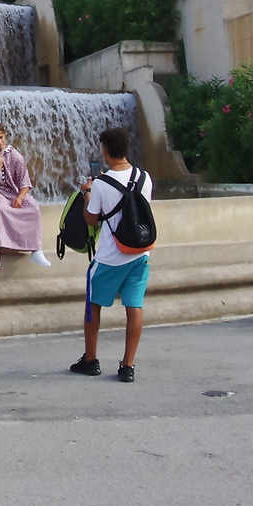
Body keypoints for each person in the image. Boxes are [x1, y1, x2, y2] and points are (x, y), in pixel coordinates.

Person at [71, 127, 152, 382]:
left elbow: (90, 219)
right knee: (134, 307)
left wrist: (87, 192)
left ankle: (91, 360)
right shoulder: (144, 177)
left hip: (110, 257)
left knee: (93, 305)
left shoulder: (101, 185)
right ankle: (128, 366)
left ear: (105, 151)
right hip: (140, 253)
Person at [0, 123, 52, 268]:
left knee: (33, 207)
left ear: (5, 135)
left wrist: (20, 197)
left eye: (1, 137)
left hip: (14, 191)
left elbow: (25, 182)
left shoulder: (15, 156)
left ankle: (36, 250)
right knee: (0, 207)